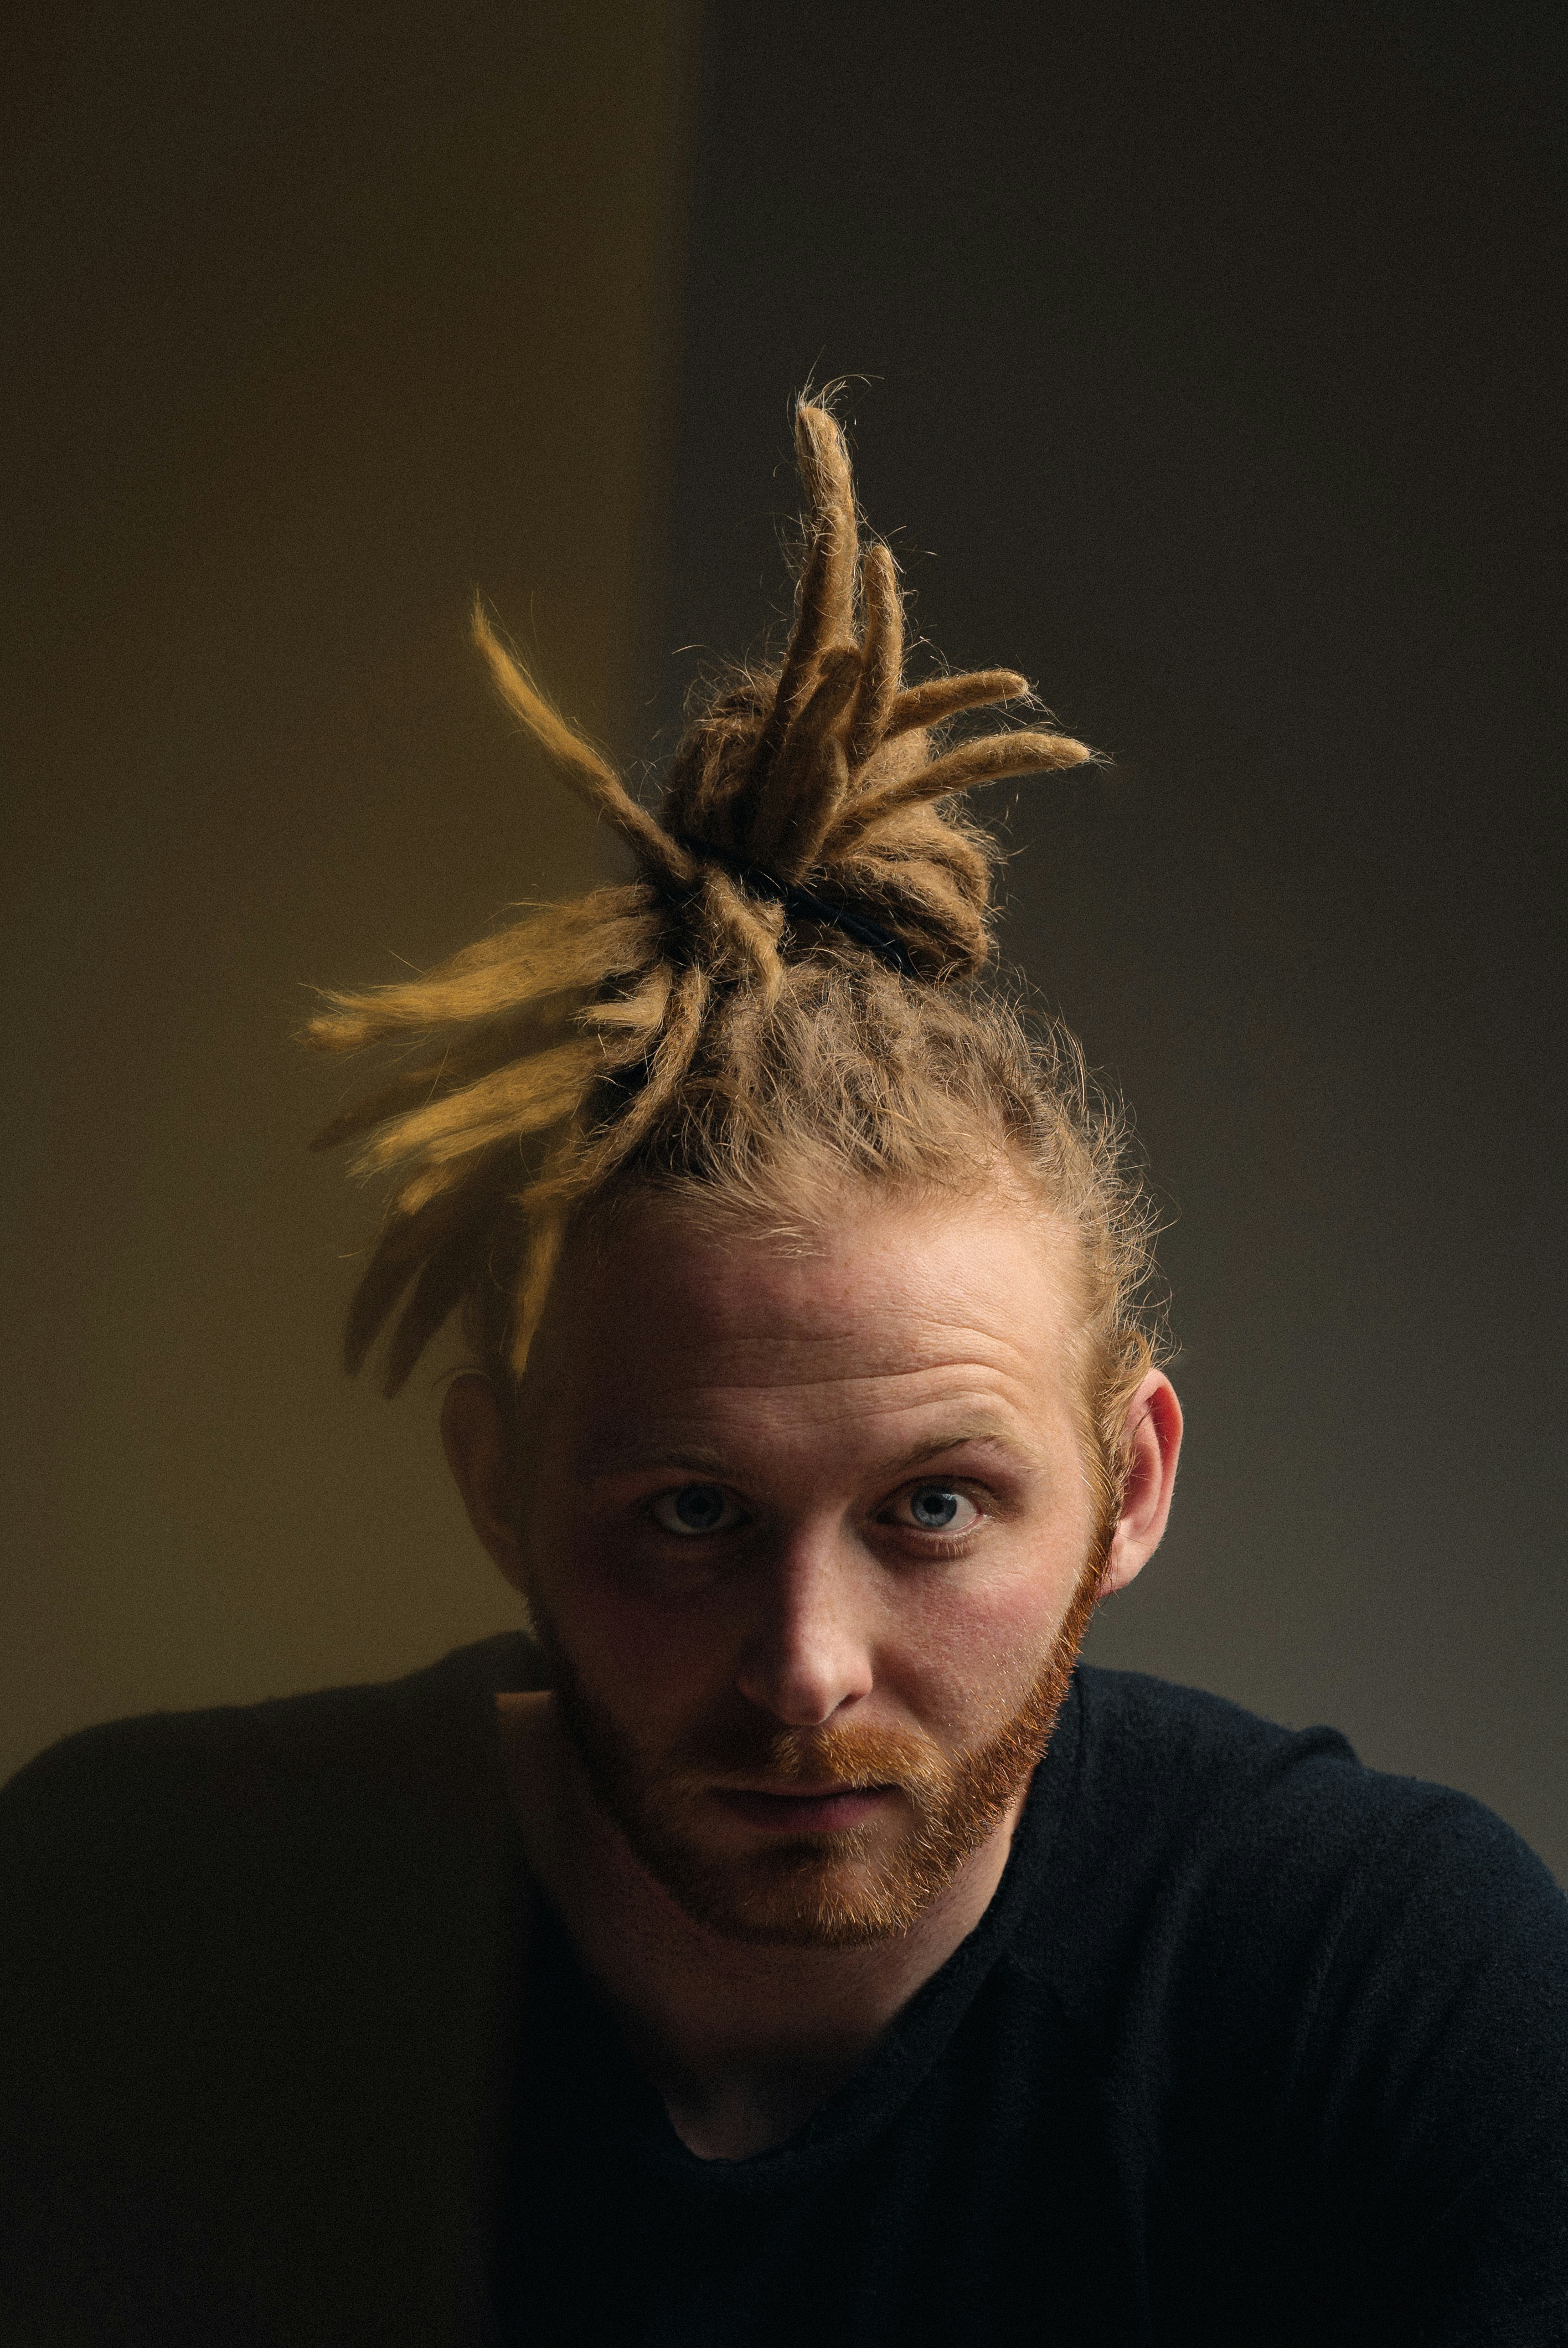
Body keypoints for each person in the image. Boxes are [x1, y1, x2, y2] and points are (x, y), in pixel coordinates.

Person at [2, 405, 1564, 2348]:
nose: (805, 1666)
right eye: (688, 1516)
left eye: (935, 1507)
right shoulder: (136, 1929)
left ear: (1132, 1484)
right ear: (500, 1485)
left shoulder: (1379, 1996)